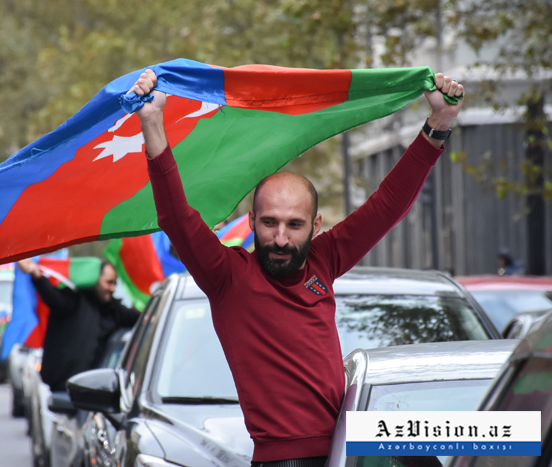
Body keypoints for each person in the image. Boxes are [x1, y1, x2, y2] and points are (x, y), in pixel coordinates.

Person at [128, 69, 464, 466]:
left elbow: (386, 205)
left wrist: (438, 124)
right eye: (269, 223)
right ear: (251, 223)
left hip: (351, 448)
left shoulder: (326, 259)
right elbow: (176, 217)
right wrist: (152, 123)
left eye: (294, 224)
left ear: (315, 226)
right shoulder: (227, 277)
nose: (282, 238)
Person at [16, 258, 140, 392]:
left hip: (101, 390)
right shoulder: (73, 300)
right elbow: (53, 297)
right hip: (69, 389)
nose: (112, 288)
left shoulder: (114, 310)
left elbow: (139, 319)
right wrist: (36, 274)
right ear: (94, 278)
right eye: (109, 282)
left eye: (115, 283)